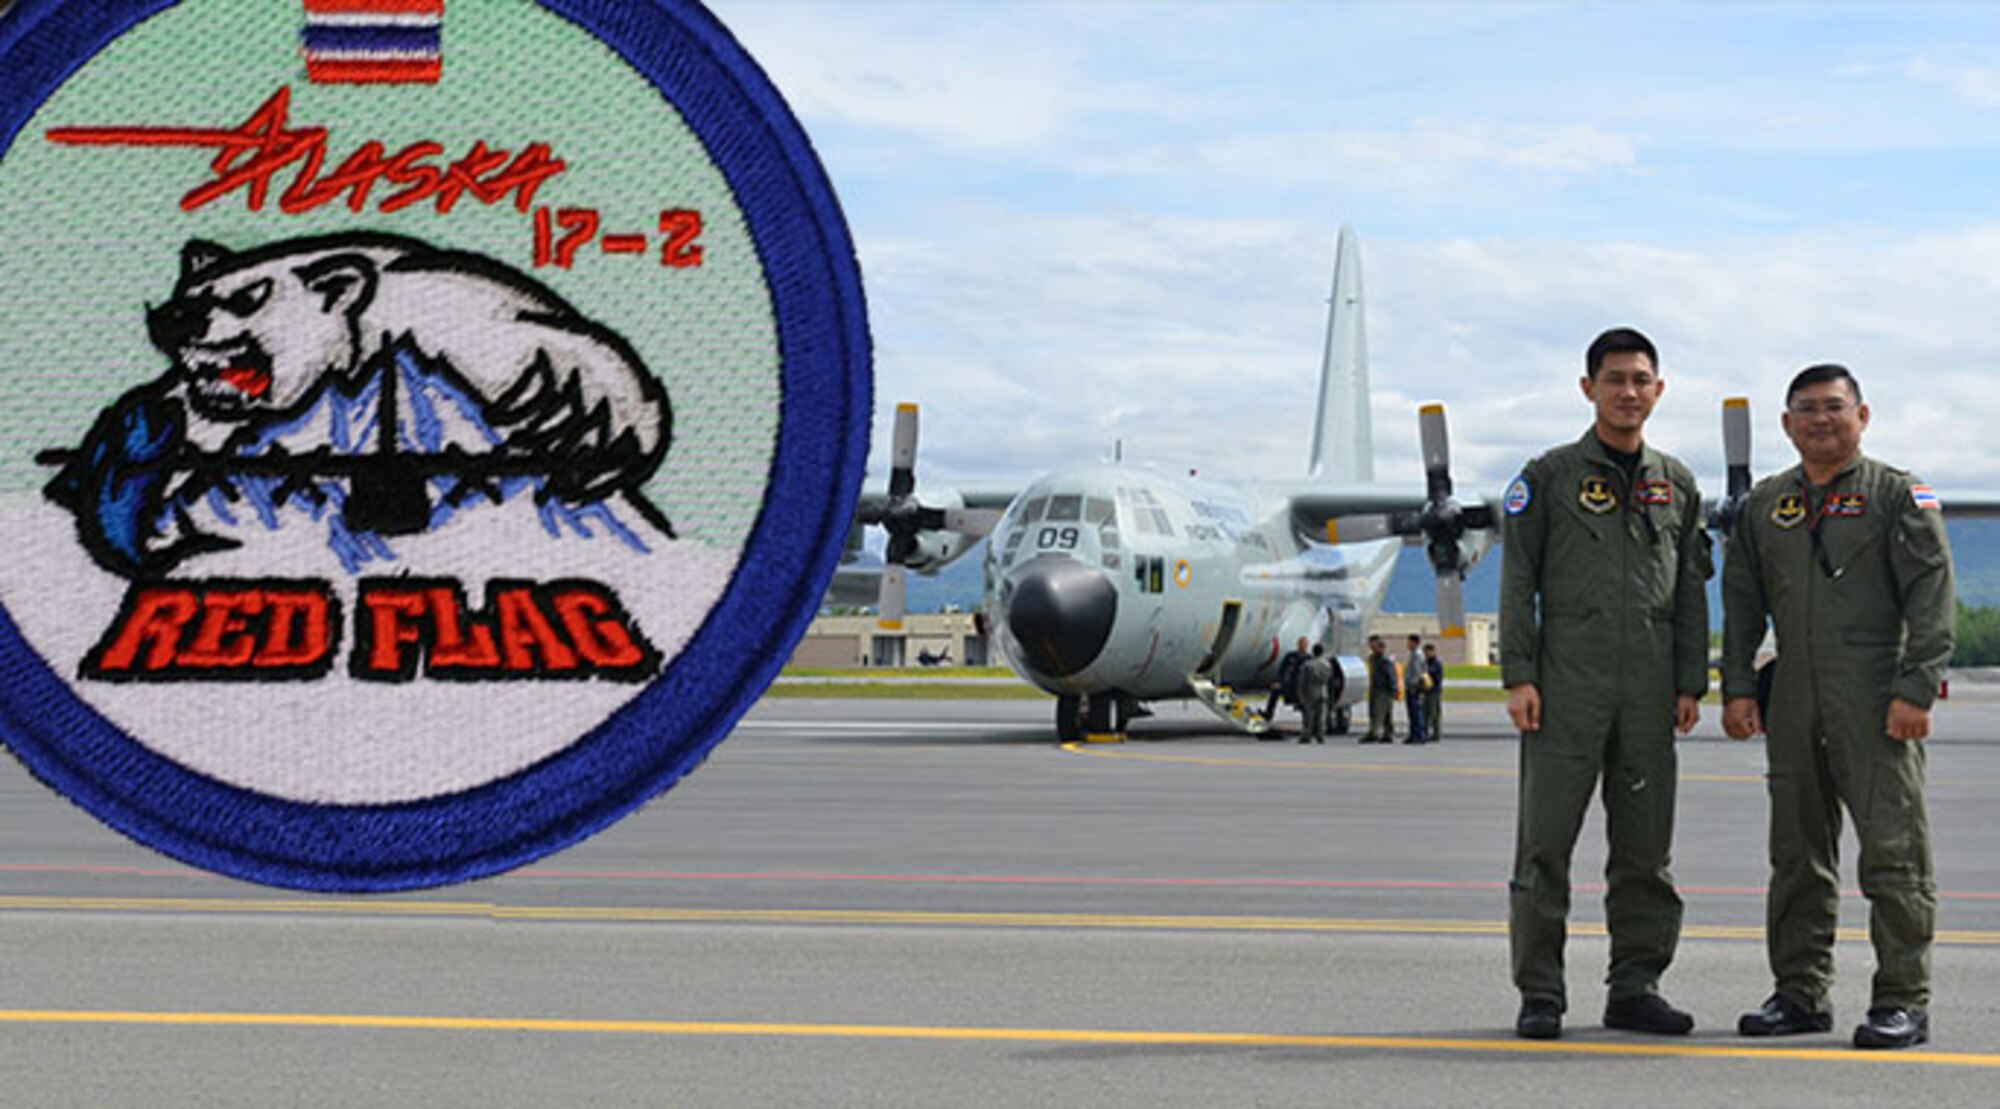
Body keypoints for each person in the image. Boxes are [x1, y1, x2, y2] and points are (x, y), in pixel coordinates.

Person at [1721, 364, 1953, 1050]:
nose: (1820, 420)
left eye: (1834, 407)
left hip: (1876, 690)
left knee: (1893, 851)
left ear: (1863, 415)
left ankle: (1902, 999)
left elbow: (1931, 593)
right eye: (1806, 410)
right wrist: (1737, 685)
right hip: (1793, 692)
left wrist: (1916, 688)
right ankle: (1799, 991)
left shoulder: (1898, 494)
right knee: (1796, 851)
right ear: (1786, 424)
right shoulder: (1767, 504)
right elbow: (1740, 602)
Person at [1500, 327, 1709, 1040]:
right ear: (1587, 387)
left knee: (1646, 849)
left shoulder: (1677, 483)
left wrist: (1690, 680)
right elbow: (1517, 581)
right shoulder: (1548, 476)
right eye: (1614, 378)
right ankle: (1541, 991)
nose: (1628, 391)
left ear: (1658, 389)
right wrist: (1519, 674)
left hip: (1651, 692)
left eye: (1640, 379)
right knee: (1545, 844)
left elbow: (1689, 591)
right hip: (1565, 688)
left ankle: (1636, 985)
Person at [1265, 636, 1308, 728]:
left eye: (1304, 644)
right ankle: (1268, 714)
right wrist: (1277, 681)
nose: (1302, 646)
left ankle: (1307, 722)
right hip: (1289, 685)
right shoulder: (1291, 656)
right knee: (1275, 692)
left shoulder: (1308, 659)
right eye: (1300, 644)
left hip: (1302, 687)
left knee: (1307, 702)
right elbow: (1282, 670)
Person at [1361, 635, 1397, 743]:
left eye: (1375, 645)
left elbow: (1391, 675)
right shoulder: (1373, 658)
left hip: (1383, 690)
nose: (1372, 647)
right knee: (1381, 712)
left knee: (1379, 712)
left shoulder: (1385, 660)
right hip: (1376, 688)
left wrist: (1393, 689)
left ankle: (1375, 733)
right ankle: (1387, 733)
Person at [1296, 643, 1334, 745]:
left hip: (1310, 692)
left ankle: (1306, 735)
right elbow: (1330, 680)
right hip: (1322, 692)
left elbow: (1302, 681)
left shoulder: (1307, 665)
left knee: (1308, 716)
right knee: (1321, 716)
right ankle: (1320, 735)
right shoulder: (1327, 665)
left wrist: (1300, 694)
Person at [1402, 633, 1429, 744]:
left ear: (1414, 643)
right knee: (1412, 713)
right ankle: (1414, 734)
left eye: (1409, 642)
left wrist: (1413, 685)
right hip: (1411, 686)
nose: (1407, 644)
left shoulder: (1417, 655)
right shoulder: (1414, 654)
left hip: (1414, 687)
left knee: (1416, 712)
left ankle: (1419, 736)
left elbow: (1417, 672)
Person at [1421, 642, 1444, 742]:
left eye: (1427, 652)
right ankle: (1431, 733)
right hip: (1427, 690)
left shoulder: (1436, 663)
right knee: (1428, 712)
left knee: (1433, 712)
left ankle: (1434, 733)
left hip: (1434, 691)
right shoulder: (1427, 662)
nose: (1426, 655)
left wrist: (1424, 670)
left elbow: (1432, 672)